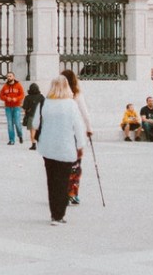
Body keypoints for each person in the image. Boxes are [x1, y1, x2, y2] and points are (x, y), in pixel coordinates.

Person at [32, 75, 86, 226]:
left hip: (47, 147)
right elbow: (78, 127)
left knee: (51, 181)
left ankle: (53, 212)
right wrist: (81, 146)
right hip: (65, 147)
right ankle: (59, 215)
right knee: (63, 182)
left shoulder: (44, 103)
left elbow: (35, 124)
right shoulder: (71, 104)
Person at [60, 70, 93, 204]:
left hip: (60, 134)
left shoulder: (56, 95)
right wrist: (89, 128)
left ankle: (61, 192)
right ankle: (72, 193)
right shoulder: (77, 95)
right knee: (75, 165)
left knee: (61, 165)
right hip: (74, 134)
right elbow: (85, 113)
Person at [0, 72, 25, 145]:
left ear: (14, 76)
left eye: (10, 76)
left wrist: (16, 99)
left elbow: (22, 94)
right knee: (10, 124)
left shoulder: (18, 85)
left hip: (16, 107)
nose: (9, 77)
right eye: (8, 76)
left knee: (17, 123)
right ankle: (11, 140)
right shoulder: (5, 86)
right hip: (8, 107)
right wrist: (6, 98)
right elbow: (1, 96)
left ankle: (20, 135)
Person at [22, 82, 44, 150]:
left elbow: (25, 108)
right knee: (40, 131)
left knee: (32, 131)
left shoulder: (27, 97)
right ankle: (41, 144)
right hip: (40, 116)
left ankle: (33, 144)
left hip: (31, 116)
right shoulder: (41, 97)